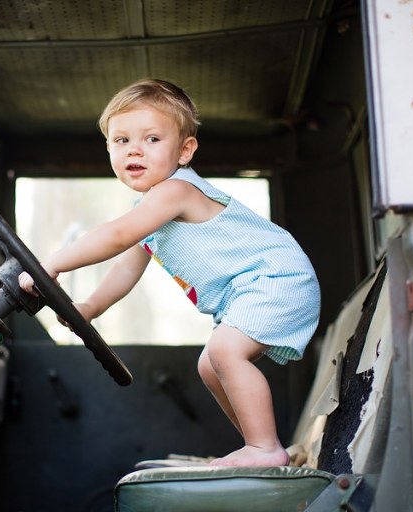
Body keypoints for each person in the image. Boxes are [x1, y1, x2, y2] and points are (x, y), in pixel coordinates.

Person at [19, 78, 320, 467]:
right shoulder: (151, 207)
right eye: (121, 140)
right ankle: (258, 444)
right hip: (255, 289)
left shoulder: (175, 192)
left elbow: (118, 235)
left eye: (151, 139)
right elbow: (127, 264)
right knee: (210, 365)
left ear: (185, 150)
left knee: (225, 351)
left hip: (277, 280)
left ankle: (265, 448)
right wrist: (91, 306)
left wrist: (52, 264)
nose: (135, 150)